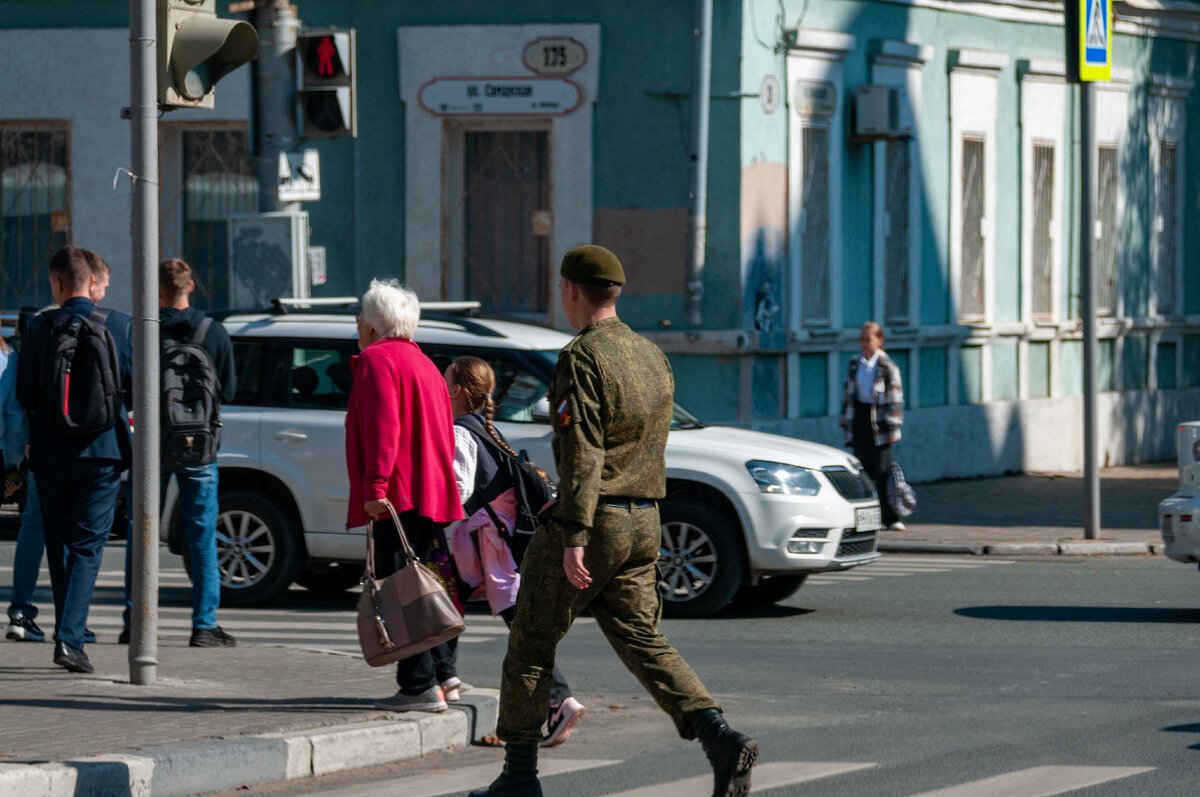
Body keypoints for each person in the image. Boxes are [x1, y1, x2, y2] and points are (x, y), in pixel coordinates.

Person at [469, 246, 757, 797]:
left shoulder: (582, 357)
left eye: (560, 289)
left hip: (594, 521)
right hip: (645, 519)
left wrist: (573, 534)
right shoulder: (651, 355)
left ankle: (519, 778)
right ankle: (717, 734)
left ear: (572, 290)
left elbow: (583, 451)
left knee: (530, 643)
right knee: (643, 639)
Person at [444, 356, 585, 747]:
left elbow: (459, 489)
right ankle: (444, 676)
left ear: (456, 390)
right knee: (449, 597)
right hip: (498, 538)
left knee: (521, 628)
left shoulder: (461, 432)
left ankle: (560, 699)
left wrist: (429, 515)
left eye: (445, 381)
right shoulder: (487, 428)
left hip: (495, 542)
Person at [345, 279, 465, 712]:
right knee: (426, 582)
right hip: (429, 492)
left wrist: (376, 488)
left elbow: (383, 431)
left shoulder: (377, 361)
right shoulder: (424, 363)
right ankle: (445, 675)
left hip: (397, 495)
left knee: (400, 589)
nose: (357, 323)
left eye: (360, 316)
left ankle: (418, 687)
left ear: (373, 324)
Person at [16, 246, 133, 674]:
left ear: (57, 284)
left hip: (49, 453)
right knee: (88, 546)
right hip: (103, 453)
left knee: (59, 544)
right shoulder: (120, 325)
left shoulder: (38, 326)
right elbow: (136, 387)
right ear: (91, 282)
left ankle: (69, 635)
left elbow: (26, 394)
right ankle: (70, 640)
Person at [118, 258, 239, 647]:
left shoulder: (143, 331)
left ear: (157, 289)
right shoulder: (214, 331)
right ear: (192, 285)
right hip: (200, 448)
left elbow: (129, 388)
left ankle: (135, 621)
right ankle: (204, 626)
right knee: (203, 537)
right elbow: (229, 391)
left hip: (152, 445)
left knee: (141, 534)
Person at [840, 321, 905, 531]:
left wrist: (894, 427)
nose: (864, 344)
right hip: (860, 417)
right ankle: (866, 517)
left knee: (883, 471)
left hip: (880, 421)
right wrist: (845, 418)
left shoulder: (887, 366)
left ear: (879, 341)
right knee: (862, 470)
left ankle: (891, 517)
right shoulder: (855, 363)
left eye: (868, 339)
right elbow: (848, 393)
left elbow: (895, 399)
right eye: (862, 339)